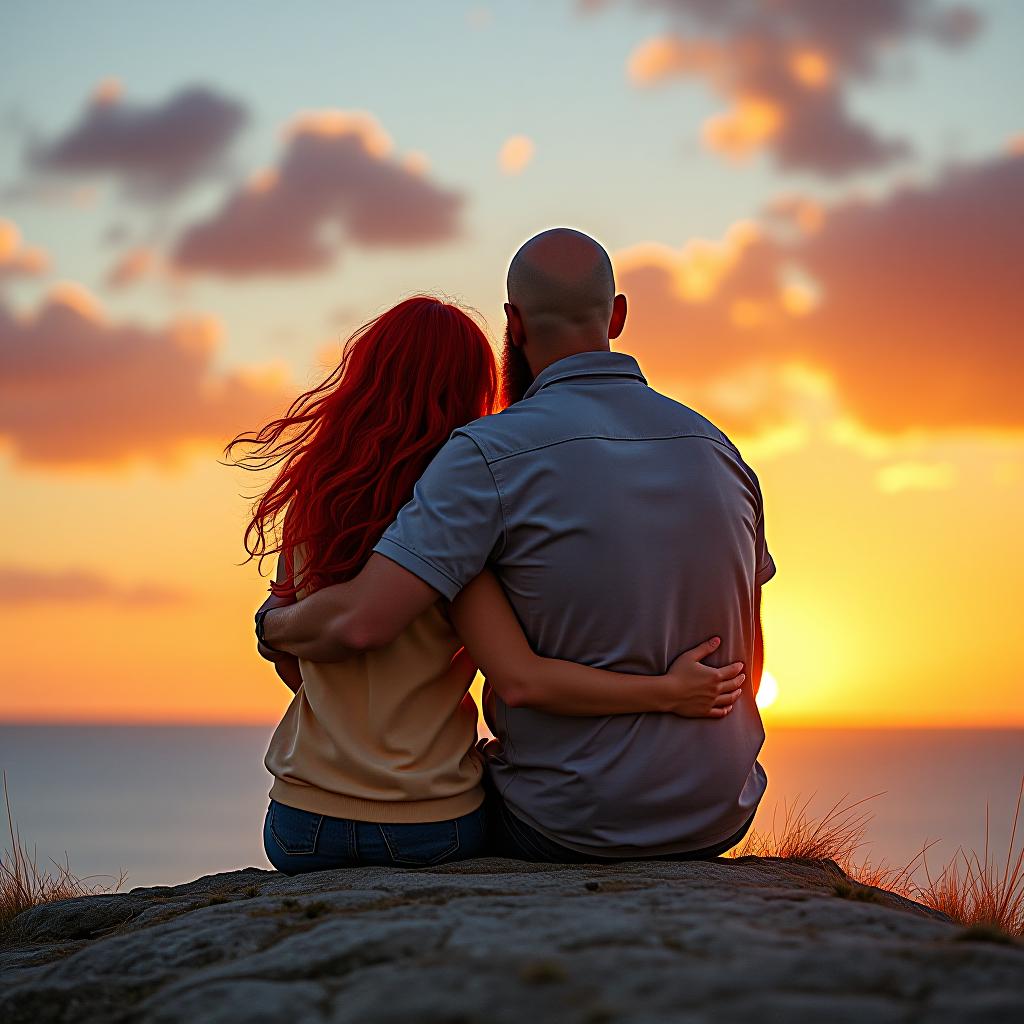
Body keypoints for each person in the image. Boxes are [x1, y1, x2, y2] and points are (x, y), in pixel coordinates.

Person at [260, 229, 777, 864]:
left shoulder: (486, 457)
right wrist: (671, 693)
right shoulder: (719, 450)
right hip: (720, 812)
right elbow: (749, 660)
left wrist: (274, 624)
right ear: (617, 315)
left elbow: (365, 623)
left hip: (565, 824)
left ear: (513, 321)